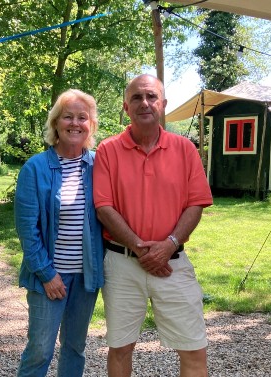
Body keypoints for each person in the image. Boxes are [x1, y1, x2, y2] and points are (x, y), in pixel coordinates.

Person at [93, 74, 213, 377]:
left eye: (151, 97)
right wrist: (142, 248)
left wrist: (169, 244)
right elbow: (103, 207)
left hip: (173, 263)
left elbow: (196, 203)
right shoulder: (108, 150)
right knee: (120, 348)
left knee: (194, 348)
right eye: (136, 98)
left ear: (163, 105)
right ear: (126, 107)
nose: (144, 103)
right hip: (122, 264)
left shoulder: (185, 149)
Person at [15, 89, 105, 377]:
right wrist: (46, 273)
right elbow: (28, 229)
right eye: (68, 116)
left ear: (91, 125)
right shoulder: (35, 168)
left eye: (83, 117)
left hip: (86, 276)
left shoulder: (99, 166)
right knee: (40, 349)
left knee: (75, 347)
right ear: (56, 123)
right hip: (48, 276)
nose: (75, 123)